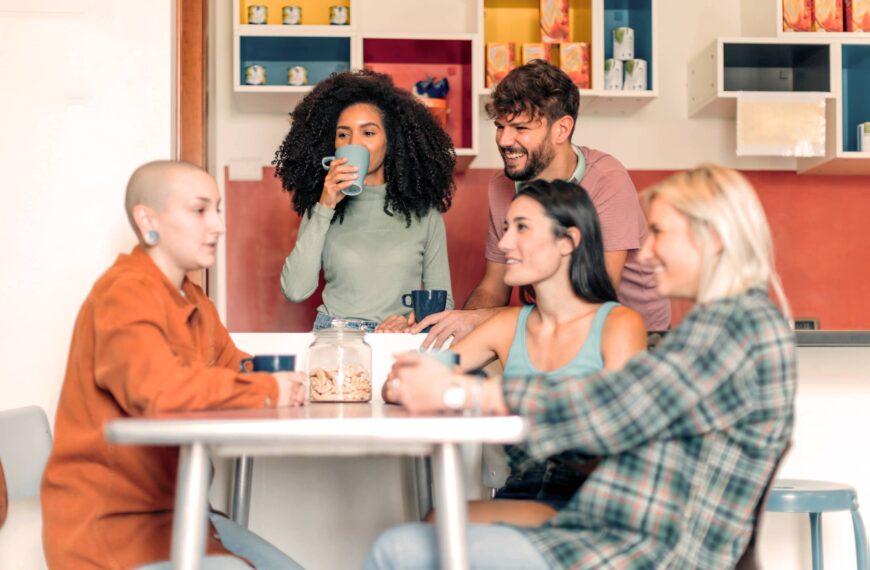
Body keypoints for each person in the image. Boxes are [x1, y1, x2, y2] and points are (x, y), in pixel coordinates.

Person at [368, 165, 796, 569]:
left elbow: (617, 406)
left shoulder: (735, 325)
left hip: (643, 550)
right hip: (617, 531)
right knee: (418, 540)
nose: (643, 254)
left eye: (659, 233)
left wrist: (463, 392)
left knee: (400, 550)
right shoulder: (729, 323)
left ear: (714, 237)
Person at [41, 161, 306, 570]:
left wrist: (292, 379)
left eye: (218, 209)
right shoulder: (124, 293)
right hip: (113, 528)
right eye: (200, 211)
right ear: (148, 220)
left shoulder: (192, 299)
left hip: (184, 515)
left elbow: (233, 367)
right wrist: (270, 390)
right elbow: (159, 392)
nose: (217, 226)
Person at [384, 180, 646, 525]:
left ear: (568, 241)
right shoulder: (507, 326)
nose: (505, 243)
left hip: (595, 495)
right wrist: (403, 359)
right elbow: (400, 385)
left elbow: (623, 438)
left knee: (432, 532)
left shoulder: (619, 324)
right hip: (523, 488)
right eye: (506, 229)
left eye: (521, 228)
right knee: (433, 525)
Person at [412, 60, 670, 347]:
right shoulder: (502, 186)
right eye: (500, 126)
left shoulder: (607, 178)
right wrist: (460, 330)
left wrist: (485, 320)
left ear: (561, 129)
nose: (504, 139)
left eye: (520, 127)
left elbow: (596, 296)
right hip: (551, 328)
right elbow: (493, 284)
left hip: (636, 335)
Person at [274, 69, 456, 333]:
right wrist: (325, 205)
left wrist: (408, 321)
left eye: (368, 133)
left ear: (390, 142)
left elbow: (443, 300)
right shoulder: (323, 208)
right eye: (343, 135)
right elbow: (295, 290)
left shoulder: (425, 214)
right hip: (336, 336)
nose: (354, 144)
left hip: (397, 340)